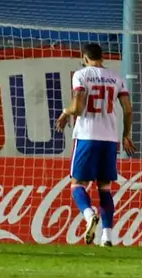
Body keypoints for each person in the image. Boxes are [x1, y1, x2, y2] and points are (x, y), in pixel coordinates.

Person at [55, 43, 136, 246]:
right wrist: (126, 134)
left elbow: (78, 106)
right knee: (105, 188)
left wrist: (65, 112)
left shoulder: (81, 75)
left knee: (77, 184)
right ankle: (107, 237)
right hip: (110, 139)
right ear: (102, 57)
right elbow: (128, 109)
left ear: (84, 57)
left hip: (87, 136)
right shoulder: (116, 78)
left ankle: (89, 215)